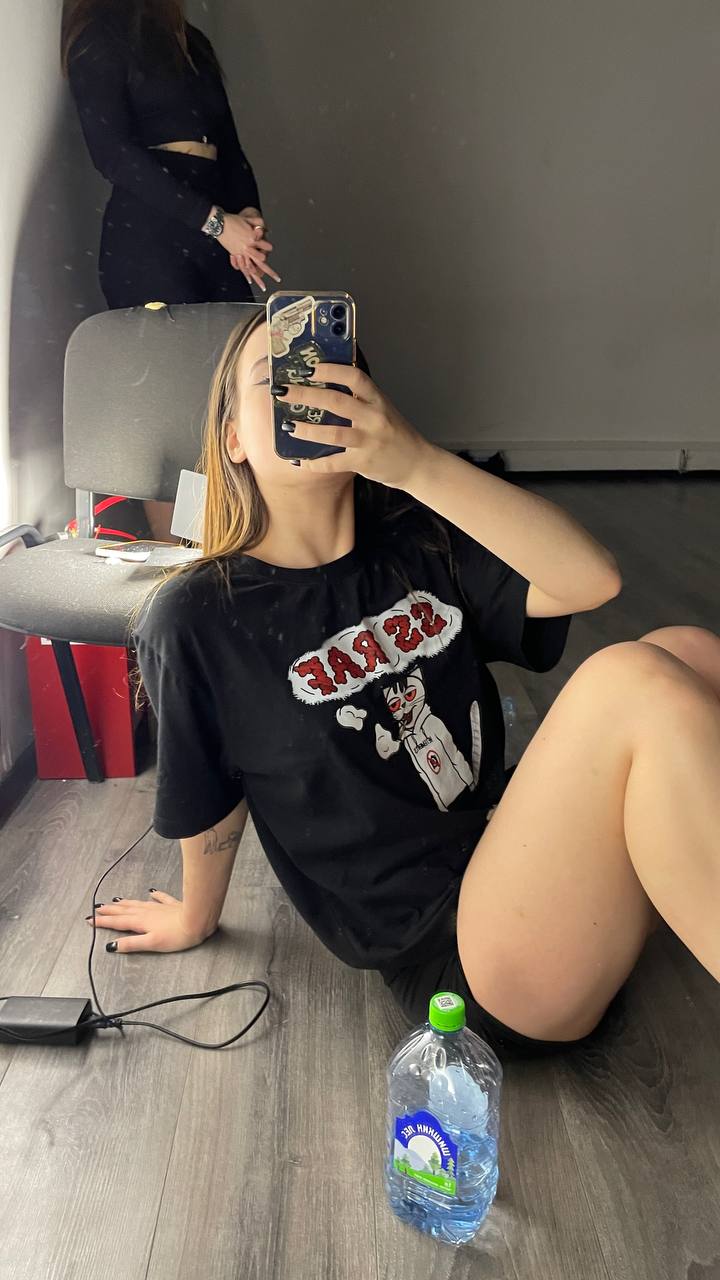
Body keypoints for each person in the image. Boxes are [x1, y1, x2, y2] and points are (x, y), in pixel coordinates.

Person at [86, 310, 720, 1060]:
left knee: (688, 652)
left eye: (335, 369)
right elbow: (211, 793)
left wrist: (417, 463)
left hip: (514, 854)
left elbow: (593, 580)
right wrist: (196, 914)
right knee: (634, 680)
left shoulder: (421, 538)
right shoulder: (198, 615)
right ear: (233, 439)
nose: (312, 390)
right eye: (280, 377)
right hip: (464, 959)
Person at [62, 0, 280, 540]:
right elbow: (112, 154)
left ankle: (213, 549)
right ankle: (177, 555)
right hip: (149, 235)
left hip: (213, 229)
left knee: (227, 395)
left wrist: (247, 214)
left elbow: (229, 146)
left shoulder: (191, 40)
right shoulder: (99, 34)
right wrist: (216, 222)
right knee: (169, 405)